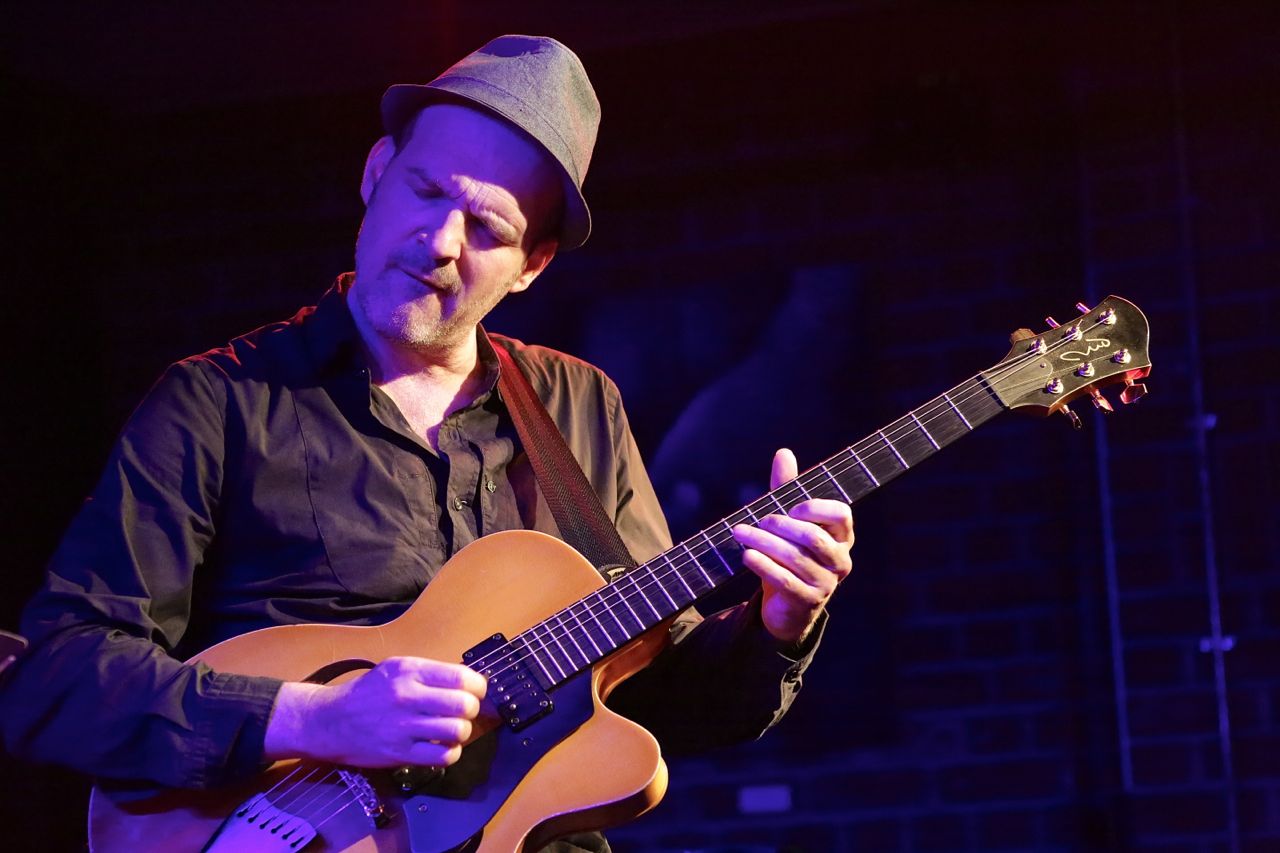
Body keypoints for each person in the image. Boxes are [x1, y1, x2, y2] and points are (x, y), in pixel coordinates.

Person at [0, 35, 853, 852]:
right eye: (426, 191)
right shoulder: (217, 400)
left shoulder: (579, 406)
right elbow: (52, 677)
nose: (441, 244)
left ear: (532, 264)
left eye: (487, 228)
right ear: (376, 173)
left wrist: (779, 619)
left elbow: (662, 693)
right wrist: (317, 718)